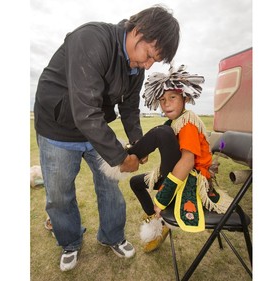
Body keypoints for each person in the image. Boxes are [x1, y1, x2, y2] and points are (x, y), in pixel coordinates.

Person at [33, 5, 180, 271]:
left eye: (153, 61)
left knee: (109, 186)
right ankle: (70, 242)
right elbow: (85, 111)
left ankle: (112, 236)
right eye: (148, 55)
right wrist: (121, 157)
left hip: (94, 129)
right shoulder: (91, 39)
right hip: (57, 127)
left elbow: (129, 107)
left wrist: (136, 143)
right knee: (59, 194)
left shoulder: (136, 67)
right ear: (138, 31)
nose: (148, 64)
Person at [126, 65, 230, 252]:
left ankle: (128, 155)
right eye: (162, 99)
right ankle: (156, 219)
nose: (166, 104)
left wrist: (162, 199)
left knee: (162, 132)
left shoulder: (188, 122)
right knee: (135, 182)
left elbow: (187, 162)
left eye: (172, 97)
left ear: (186, 97)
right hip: (179, 173)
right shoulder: (173, 122)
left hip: (192, 180)